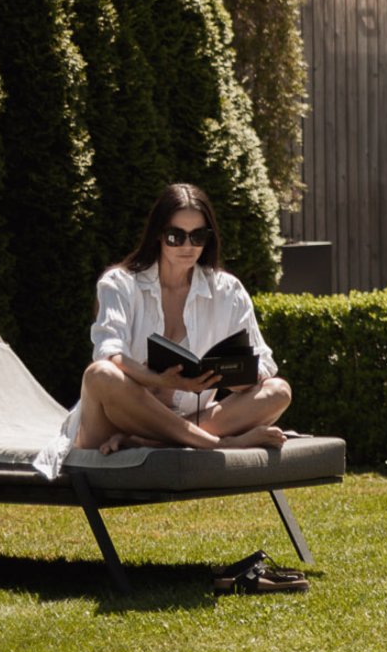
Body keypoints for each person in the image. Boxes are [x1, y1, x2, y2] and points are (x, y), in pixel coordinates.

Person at [62, 184, 292, 460]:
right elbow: (108, 352)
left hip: (192, 419)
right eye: (176, 236)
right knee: (99, 374)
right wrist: (158, 379)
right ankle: (220, 444)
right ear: (158, 235)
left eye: (197, 237)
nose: (187, 246)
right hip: (115, 421)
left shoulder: (226, 290)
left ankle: (149, 442)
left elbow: (264, 361)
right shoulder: (119, 283)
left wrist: (242, 377)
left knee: (279, 390)